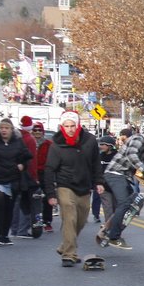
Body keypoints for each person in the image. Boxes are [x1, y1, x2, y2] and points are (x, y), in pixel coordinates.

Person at [41, 111, 104, 265]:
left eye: (72, 125)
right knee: (69, 218)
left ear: (78, 125)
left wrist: (99, 182)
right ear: (62, 127)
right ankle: (69, 254)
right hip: (65, 185)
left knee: (81, 220)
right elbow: (49, 169)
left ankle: (65, 245)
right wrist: (50, 194)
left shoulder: (89, 141)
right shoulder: (56, 145)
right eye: (66, 126)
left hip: (84, 185)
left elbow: (96, 163)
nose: (69, 129)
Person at [99, 125, 144, 250]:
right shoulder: (138, 139)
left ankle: (107, 229)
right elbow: (131, 154)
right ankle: (114, 236)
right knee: (124, 203)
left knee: (134, 202)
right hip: (115, 173)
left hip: (123, 176)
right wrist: (143, 169)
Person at [0, 118, 33, 245]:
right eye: (1, 128)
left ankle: (5, 235)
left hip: (13, 179)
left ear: (11, 130)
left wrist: (22, 165)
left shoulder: (18, 142)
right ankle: (0, 236)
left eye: (6, 128)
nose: (3, 130)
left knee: (9, 207)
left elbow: (27, 156)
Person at [31, 122, 55, 232]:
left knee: (47, 197)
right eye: (35, 130)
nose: (37, 132)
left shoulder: (48, 144)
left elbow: (53, 159)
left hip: (45, 173)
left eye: (39, 130)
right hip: (32, 173)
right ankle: (34, 221)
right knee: (32, 198)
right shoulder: (29, 143)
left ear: (43, 132)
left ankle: (47, 222)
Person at [94, 135, 117, 224]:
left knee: (116, 208)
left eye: (104, 144)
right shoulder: (99, 156)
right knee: (108, 207)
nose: (101, 146)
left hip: (115, 185)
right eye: (100, 144)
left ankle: (115, 226)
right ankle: (108, 227)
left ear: (110, 145)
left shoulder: (117, 156)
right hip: (104, 186)